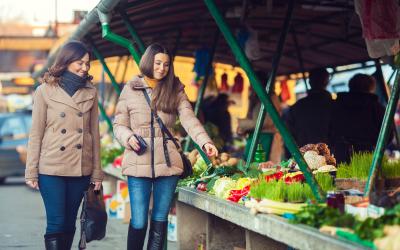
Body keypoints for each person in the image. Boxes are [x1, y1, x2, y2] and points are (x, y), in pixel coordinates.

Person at [113, 43, 218, 250]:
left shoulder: (175, 89)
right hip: (137, 160)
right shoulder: (130, 88)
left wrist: (205, 141)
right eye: (158, 63)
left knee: (160, 219)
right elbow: (119, 124)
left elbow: (189, 119)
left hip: (168, 163)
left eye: (166, 65)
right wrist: (128, 137)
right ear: (148, 62)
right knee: (139, 220)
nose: (162, 68)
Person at [24, 41, 103, 250]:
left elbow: (94, 135)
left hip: (80, 169)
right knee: (57, 222)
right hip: (51, 168)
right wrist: (31, 171)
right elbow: (36, 133)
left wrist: (97, 173)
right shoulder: (44, 91)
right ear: (66, 61)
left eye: (87, 63)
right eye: (80, 63)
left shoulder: (91, 92)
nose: (84, 68)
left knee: (70, 223)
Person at [330, 73, 386, 163]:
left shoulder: (336, 105)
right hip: (368, 154)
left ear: (350, 86)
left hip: (341, 154)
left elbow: (330, 130)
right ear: (371, 88)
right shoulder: (376, 107)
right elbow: (387, 135)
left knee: (341, 177)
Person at [237, 71, 283, 163]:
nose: (251, 87)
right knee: (249, 167)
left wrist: (243, 124)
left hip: (265, 138)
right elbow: (251, 117)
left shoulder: (271, 98)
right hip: (255, 137)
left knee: (262, 168)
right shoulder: (255, 97)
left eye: (253, 84)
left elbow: (266, 121)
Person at [286, 68, 333, 148]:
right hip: (331, 155)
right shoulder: (333, 105)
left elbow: (289, 135)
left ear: (310, 82)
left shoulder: (297, 107)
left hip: (303, 155)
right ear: (327, 82)